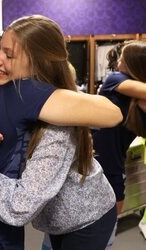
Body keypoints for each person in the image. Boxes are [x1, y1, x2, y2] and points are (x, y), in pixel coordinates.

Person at [0, 17, 122, 250]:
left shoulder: (50, 120)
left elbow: (20, 205)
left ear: (37, 63)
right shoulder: (3, 90)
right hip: (49, 218)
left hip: (86, 219)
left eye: (8, 54)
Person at [92, 41, 146, 247]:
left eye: (123, 57)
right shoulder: (115, 79)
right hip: (98, 158)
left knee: (108, 225)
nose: (119, 61)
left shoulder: (134, 93)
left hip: (115, 163)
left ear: (133, 63)